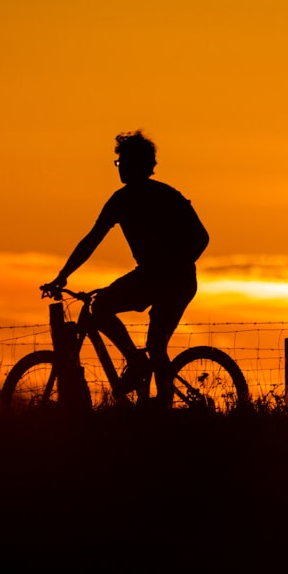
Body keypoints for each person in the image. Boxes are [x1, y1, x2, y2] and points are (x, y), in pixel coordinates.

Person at [41, 130, 209, 409]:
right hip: (164, 277)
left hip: (168, 277)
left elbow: (92, 240)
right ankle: (152, 388)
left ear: (134, 165)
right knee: (149, 341)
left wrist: (174, 264)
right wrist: (63, 275)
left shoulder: (147, 197)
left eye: (121, 163)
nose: (118, 169)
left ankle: (139, 367)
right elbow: (91, 239)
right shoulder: (142, 197)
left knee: (113, 314)